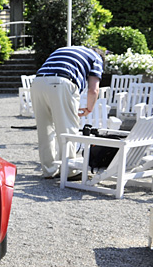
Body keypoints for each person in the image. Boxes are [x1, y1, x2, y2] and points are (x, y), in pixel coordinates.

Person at [31, 45, 105, 178]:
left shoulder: (64, 49)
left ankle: (49, 170)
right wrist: (89, 108)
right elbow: (93, 89)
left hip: (37, 83)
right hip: (61, 82)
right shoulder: (96, 58)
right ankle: (69, 171)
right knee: (67, 129)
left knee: (44, 130)